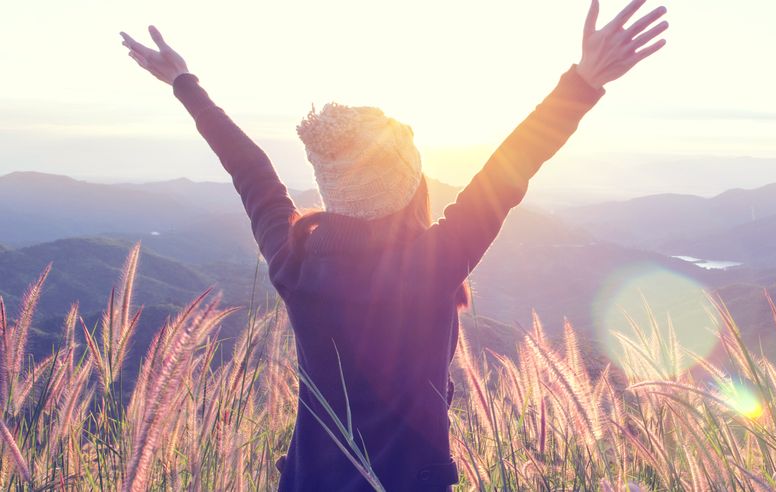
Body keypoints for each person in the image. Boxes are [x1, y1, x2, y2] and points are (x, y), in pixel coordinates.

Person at [119, 1, 667, 489]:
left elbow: (250, 172)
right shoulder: (433, 264)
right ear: (410, 186)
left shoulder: (293, 259)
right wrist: (584, 82)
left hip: (309, 481)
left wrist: (184, 83)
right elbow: (510, 169)